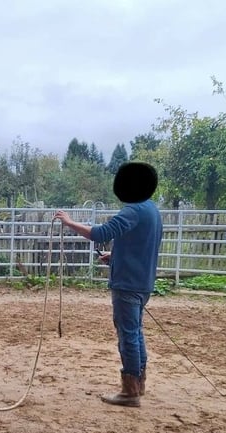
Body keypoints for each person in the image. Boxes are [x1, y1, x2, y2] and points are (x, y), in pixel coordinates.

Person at [54, 161, 163, 407]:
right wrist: (116, 256)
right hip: (142, 283)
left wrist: (69, 222)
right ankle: (138, 383)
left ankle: (130, 392)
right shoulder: (152, 211)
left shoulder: (132, 211)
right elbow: (142, 245)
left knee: (128, 335)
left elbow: (100, 233)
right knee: (135, 332)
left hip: (127, 283)